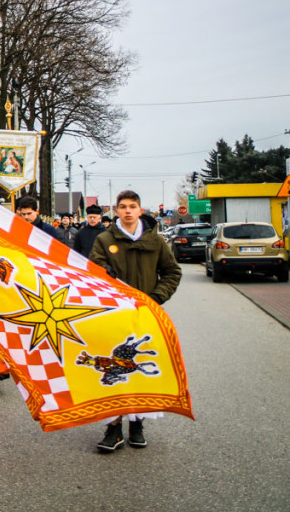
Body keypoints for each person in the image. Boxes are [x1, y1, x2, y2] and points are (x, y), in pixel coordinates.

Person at [89, 189, 182, 453]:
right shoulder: (104, 240)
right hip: (113, 316)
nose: (128, 210)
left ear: (140, 210)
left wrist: (155, 298)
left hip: (145, 315)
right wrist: (104, 279)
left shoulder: (155, 241)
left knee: (137, 370)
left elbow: (172, 272)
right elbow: (93, 275)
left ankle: (137, 424)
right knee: (113, 371)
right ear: (116, 211)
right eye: (123, 206)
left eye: (132, 206)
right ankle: (114, 427)